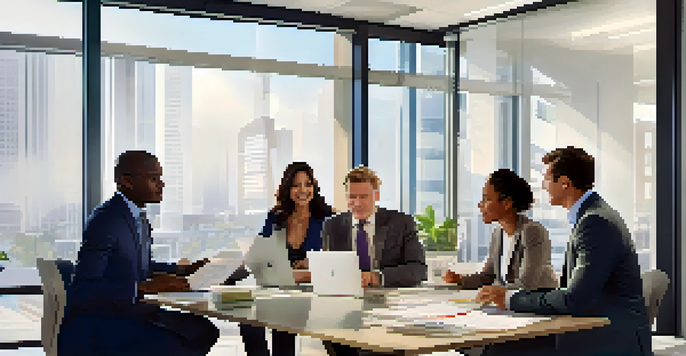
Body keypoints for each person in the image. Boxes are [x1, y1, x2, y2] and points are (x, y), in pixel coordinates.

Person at [475, 146, 652, 356]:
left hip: (606, 339)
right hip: (592, 327)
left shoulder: (595, 222)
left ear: (565, 183)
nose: (544, 186)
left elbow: (573, 300)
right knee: (495, 348)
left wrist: (509, 299)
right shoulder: (591, 216)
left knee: (498, 351)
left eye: (548, 179)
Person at [58, 150, 219, 356]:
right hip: (104, 323)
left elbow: (139, 265)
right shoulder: (106, 219)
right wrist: (142, 287)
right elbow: (83, 289)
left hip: (130, 313)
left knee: (204, 330)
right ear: (127, 181)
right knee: (177, 343)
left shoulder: (138, 218)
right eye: (154, 178)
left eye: (160, 178)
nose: (161, 185)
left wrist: (181, 270)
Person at [224, 162, 335, 356]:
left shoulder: (328, 218)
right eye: (296, 185)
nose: (302, 190)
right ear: (287, 189)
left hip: (313, 293)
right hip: (279, 289)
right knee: (248, 321)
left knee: (283, 328)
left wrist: (314, 263)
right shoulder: (276, 217)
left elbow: (338, 264)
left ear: (313, 187)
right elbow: (258, 254)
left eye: (307, 184)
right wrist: (226, 272)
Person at [321, 166, 427, 356]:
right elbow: (330, 268)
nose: (357, 203)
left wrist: (378, 277)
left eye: (364, 196)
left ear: (376, 196)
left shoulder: (401, 223)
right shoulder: (332, 226)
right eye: (352, 197)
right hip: (347, 307)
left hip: (390, 308)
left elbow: (418, 269)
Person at [443, 168, 558, 291]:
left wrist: (495, 293)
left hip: (537, 303)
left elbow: (526, 284)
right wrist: (460, 279)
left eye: (486, 199)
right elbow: (487, 277)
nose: (480, 205)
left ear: (507, 204)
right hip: (512, 304)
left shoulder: (532, 231)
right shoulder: (498, 233)